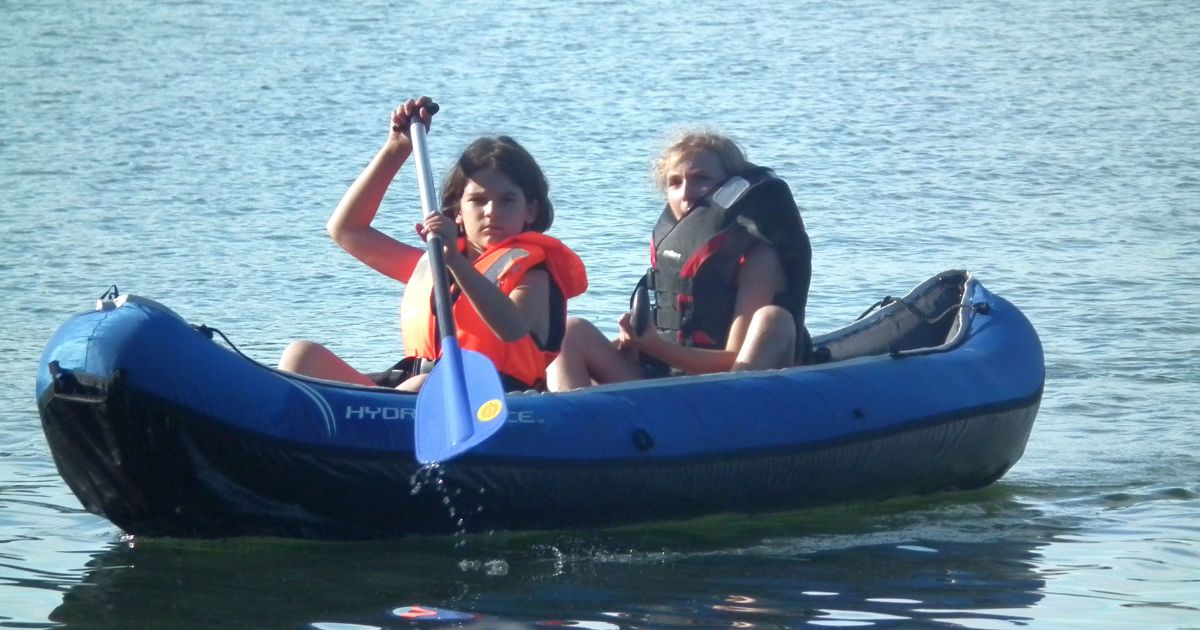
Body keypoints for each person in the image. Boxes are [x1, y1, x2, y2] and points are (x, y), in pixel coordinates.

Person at [279, 97, 587, 392]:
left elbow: (512, 329)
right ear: (457, 212)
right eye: (478, 200)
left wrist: (456, 263)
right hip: (414, 391)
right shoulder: (435, 266)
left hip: (492, 400)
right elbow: (347, 229)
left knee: (423, 384)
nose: (492, 211)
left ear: (530, 211)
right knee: (302, 355)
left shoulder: (533, 275)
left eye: (507, 200)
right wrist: (397, 147)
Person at [546, 131, 810, 391]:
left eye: (701, 179)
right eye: (675, 182)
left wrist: (655, 346)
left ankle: (732, 416)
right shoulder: (677, 248)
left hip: (726, 387)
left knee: (773, 320)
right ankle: (569, 411)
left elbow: (734, 359)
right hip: (663, 381)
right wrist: (633, 343)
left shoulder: (759, 257)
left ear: (732, 190)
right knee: (571, 330)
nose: (686, 193)